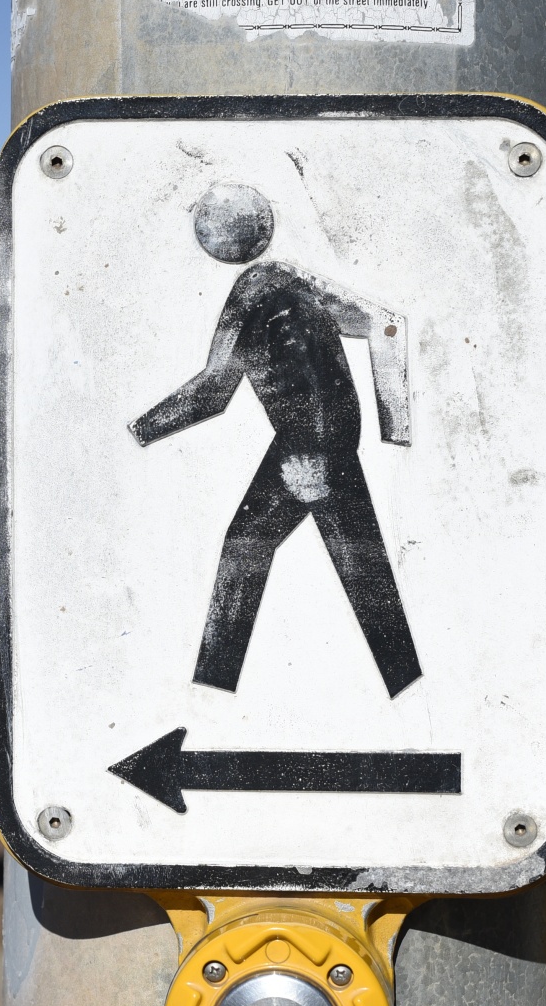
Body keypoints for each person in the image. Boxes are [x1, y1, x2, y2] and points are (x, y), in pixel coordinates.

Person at [130, 182, 423, 698]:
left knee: (247, 548)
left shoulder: (251, 292)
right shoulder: (288, 278)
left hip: (305, 444)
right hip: (333, 437)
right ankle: (410, 687)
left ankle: (210, 694)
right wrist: (392, 427)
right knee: (360, 563)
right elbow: (386, 324)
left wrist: (143, 429)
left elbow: (212, 394)